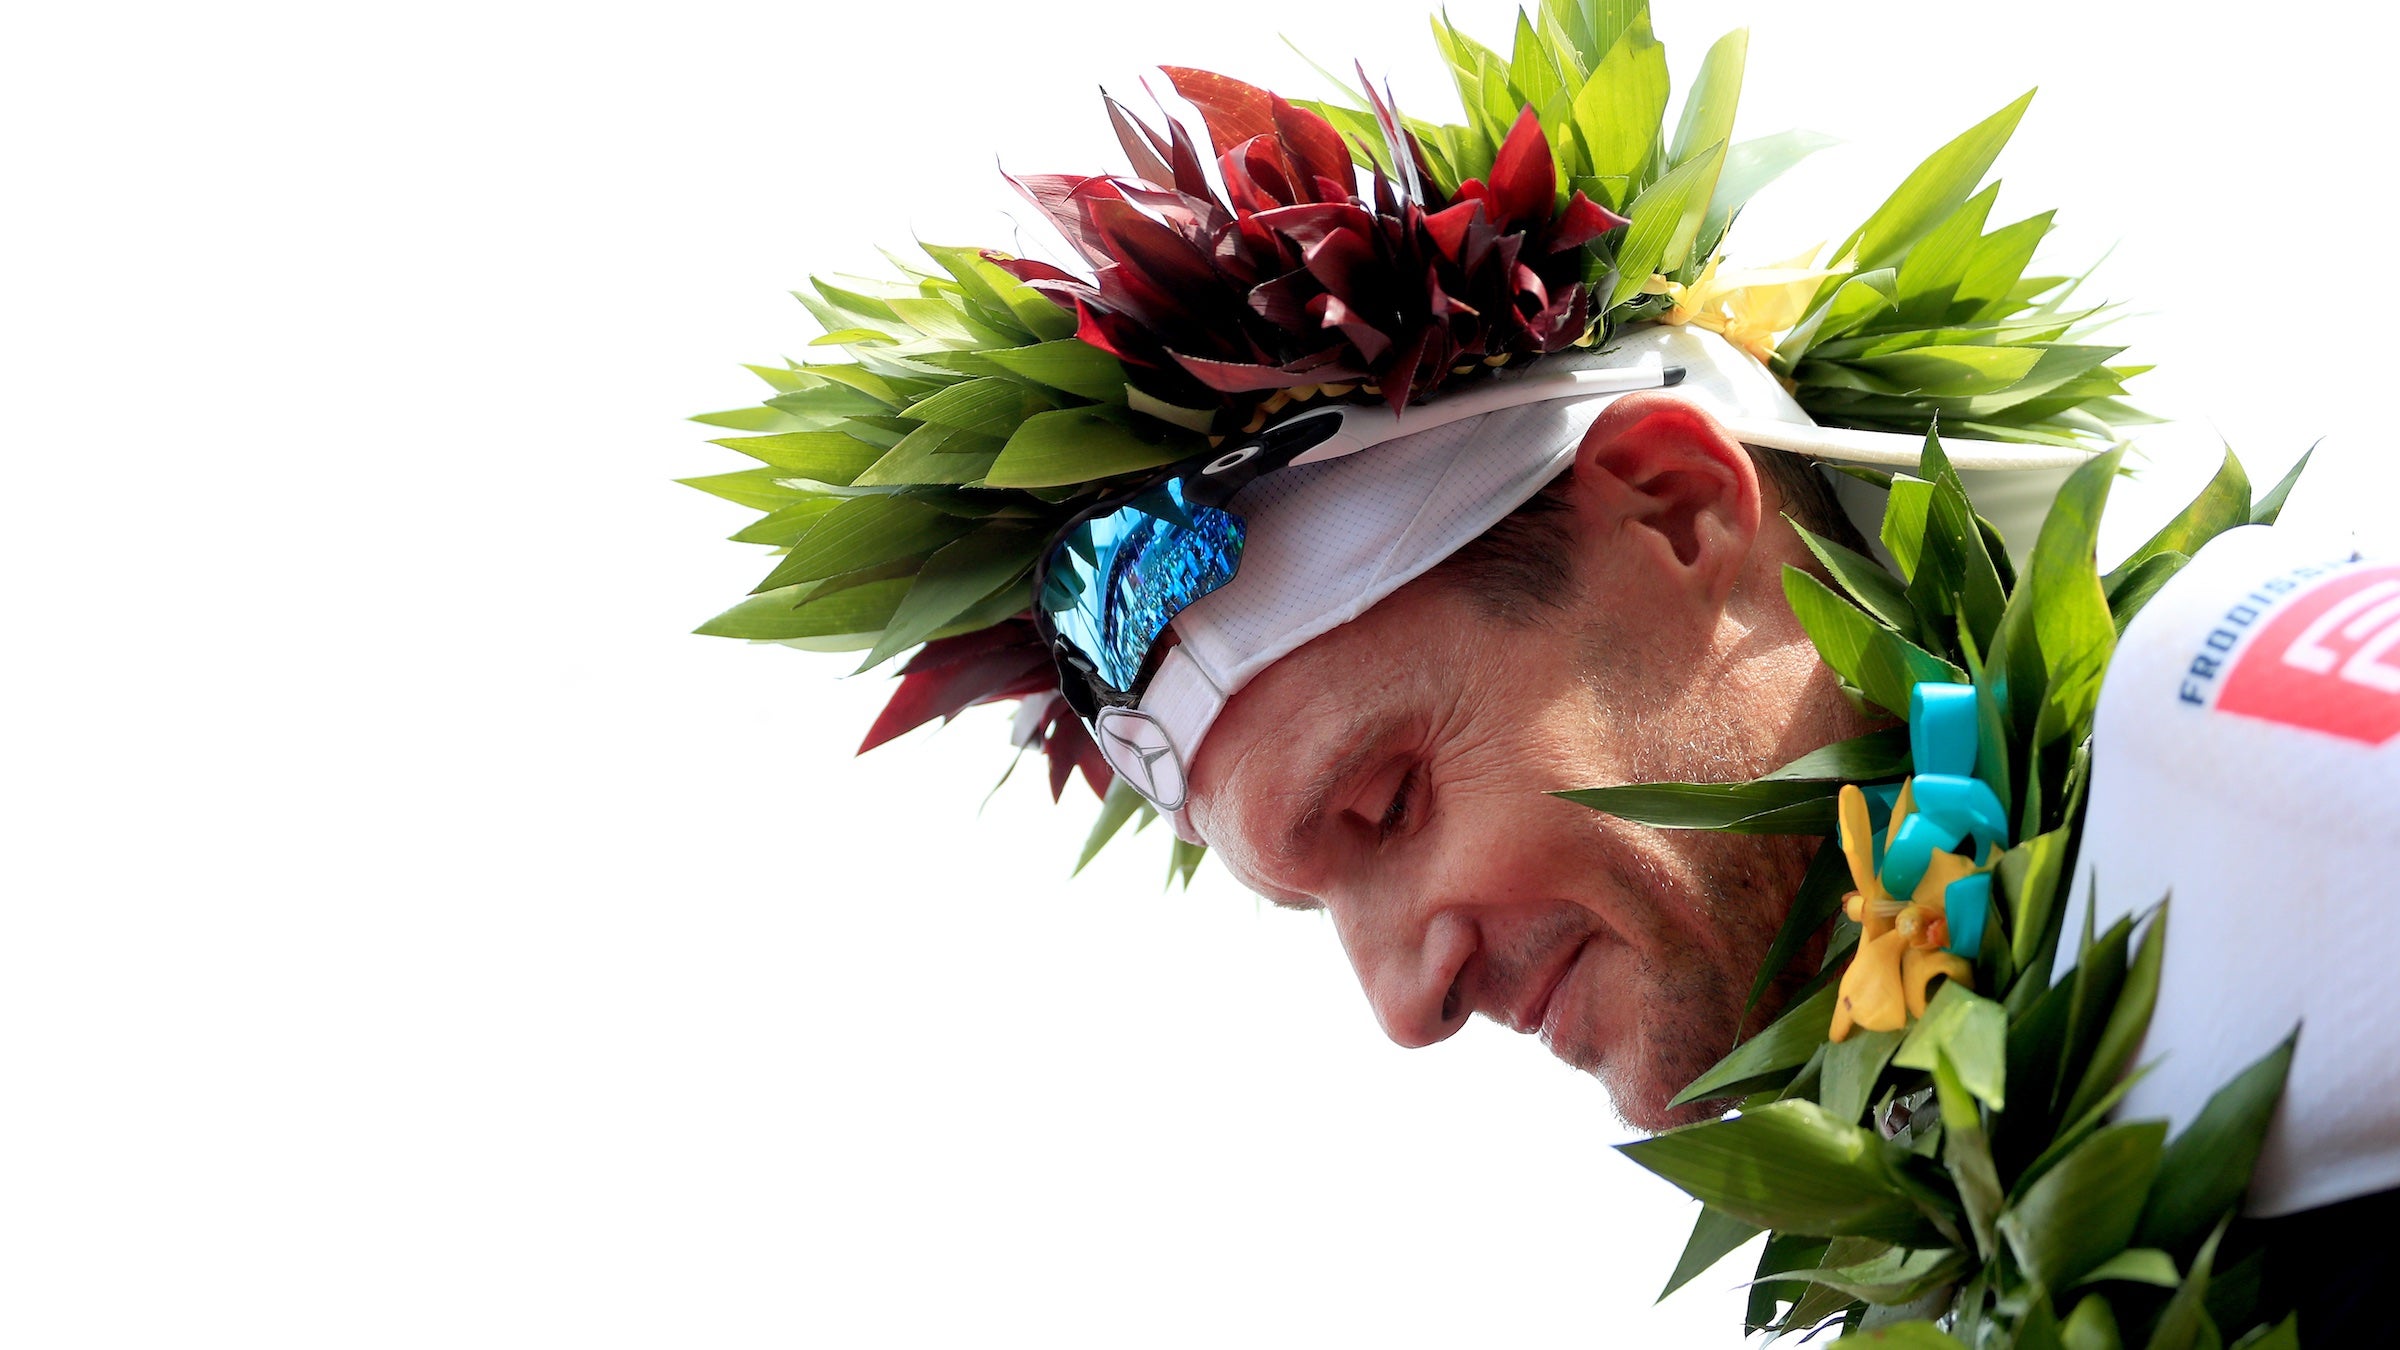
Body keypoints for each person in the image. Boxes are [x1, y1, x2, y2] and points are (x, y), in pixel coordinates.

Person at [686, 2, 2393, 1339]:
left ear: (1668, 508)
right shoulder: (2003, 1136)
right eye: (1320, 906)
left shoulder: (2255, 744)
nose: (1400, 1003)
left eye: (1387, 801)